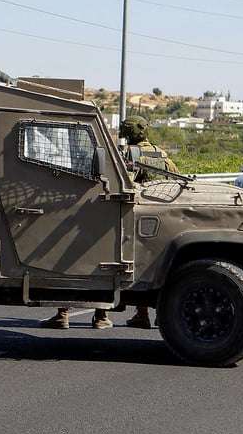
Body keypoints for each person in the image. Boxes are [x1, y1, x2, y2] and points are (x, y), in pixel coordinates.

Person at [41, 116, 179, 331]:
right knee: (146, 267)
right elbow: (175, 179)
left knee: (80, 262)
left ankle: (65, 313)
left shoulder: (128, 156)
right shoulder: (161, 154)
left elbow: (121, 183)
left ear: (126, 133)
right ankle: (137, 315)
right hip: (156, 217)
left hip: (125, 215)